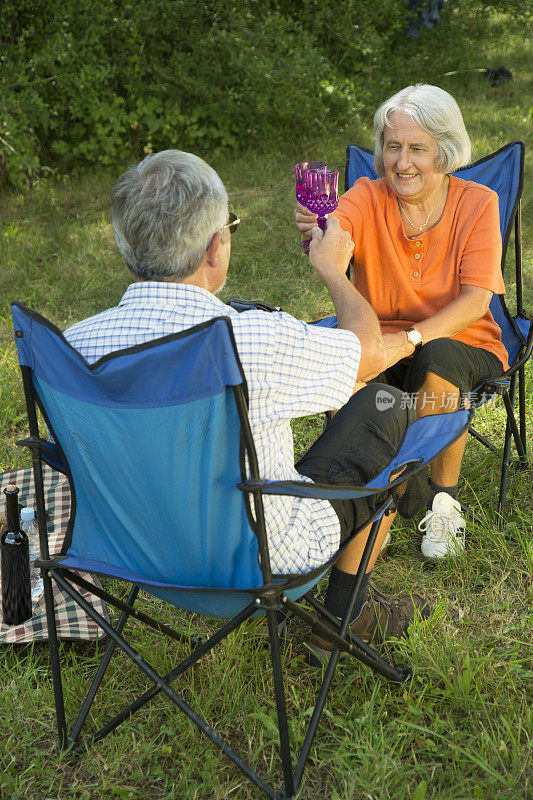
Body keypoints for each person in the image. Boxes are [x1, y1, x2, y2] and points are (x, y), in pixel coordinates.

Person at [64, 149, 431, 656]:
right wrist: (333, 270)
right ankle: (342, 618)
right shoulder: (253, 338)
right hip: (259, 561)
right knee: (384, 403)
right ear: (217, 246)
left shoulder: (74, 347)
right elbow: (367, 354)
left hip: (129, 553)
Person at [294, 84, 506, 562]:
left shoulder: (479, 203)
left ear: (444, 151)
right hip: (382, 336)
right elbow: (337, 228)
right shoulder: (367, 195)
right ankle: (370, 492)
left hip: (460, 339)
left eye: (417, 148)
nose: (402, 162)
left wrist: (407, 340)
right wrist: (320, 231)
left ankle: (442, 499)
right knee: (343, 353)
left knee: (436, 355)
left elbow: (476, 301)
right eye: (392, 147)